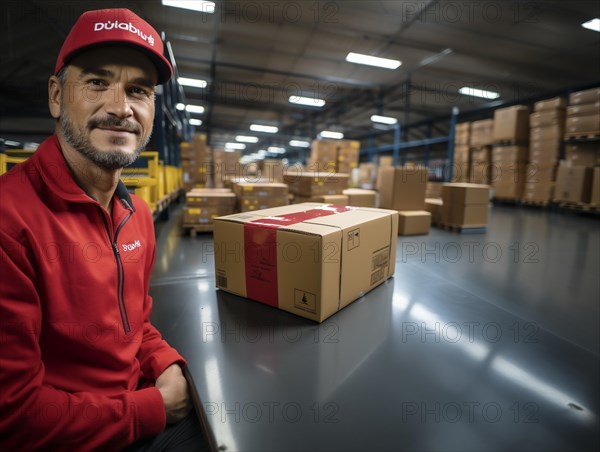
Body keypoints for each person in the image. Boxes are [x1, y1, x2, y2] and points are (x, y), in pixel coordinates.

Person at [0, 8, 207, 450]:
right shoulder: (9, 221)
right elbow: (12, 414)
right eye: (97, 83)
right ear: (56, 95)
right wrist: (152, 409)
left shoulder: (138, 217)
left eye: (138, 90)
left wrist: (165, 361)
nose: (120, 108)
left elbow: (136, 324)